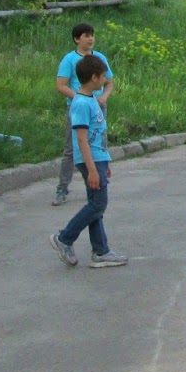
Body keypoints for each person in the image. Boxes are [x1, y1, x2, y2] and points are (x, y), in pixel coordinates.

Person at [50, 54, 127, 268]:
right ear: (94, 77)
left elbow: (98, 134)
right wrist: (92, 169)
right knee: (97, 204)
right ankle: (64, 238)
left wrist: (104, 163)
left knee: (96, 204)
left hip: (98, 159)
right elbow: (82, 138)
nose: (105, 80)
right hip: (90, 161)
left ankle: (101, 251)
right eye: (102, 76)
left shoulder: (91, 99)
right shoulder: (81, 103)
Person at [53, 23, 114, 206]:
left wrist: (103, 97)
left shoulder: (100, 58)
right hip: (79, 109)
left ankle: (99, 180)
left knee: (99, 142)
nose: (90, 39)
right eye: (86, 35)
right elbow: (61, 85)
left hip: (98, 107)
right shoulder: (69, 59)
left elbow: (109, 82)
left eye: (92, 35)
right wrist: (82, 98)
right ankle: (62, 188)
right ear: (76, 39)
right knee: (72, 148)